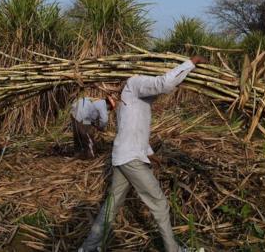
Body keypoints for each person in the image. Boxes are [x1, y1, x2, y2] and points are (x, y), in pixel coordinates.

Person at [79, 56, 207, 252]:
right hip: (130, 159)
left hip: (124, 157)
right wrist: (190, 63)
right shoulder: (134, 83)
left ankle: (87, 248)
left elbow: (133, 130)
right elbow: (163, 84)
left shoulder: (131, 99)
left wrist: (150, 153)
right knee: (160, 204)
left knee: (111, 206)